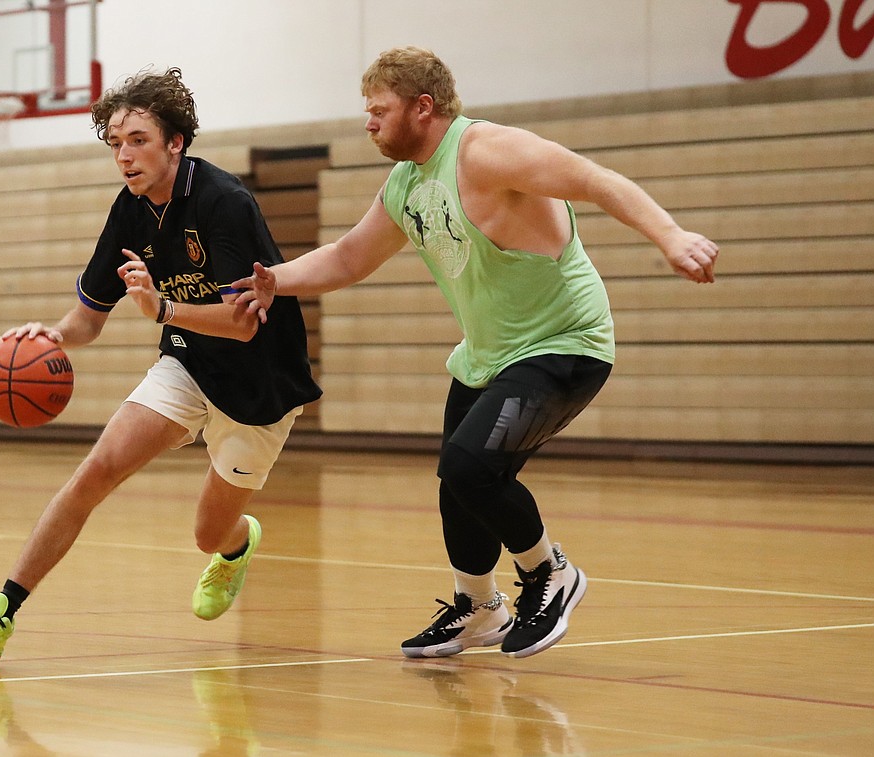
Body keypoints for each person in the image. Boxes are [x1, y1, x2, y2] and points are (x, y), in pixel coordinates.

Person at [233, 46, 718, 659]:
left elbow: (594, 179)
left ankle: (551, 573)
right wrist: (277, 280)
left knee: (470, 467)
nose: (369, 122)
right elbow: (351, 256)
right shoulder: (408, 181)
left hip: (563, 343)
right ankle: (479, 608)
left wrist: (671, 235)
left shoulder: (486, 152)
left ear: (423, 107)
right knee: (456, 482)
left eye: (380, 110)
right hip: (487, 356)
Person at [0, 68, 321, 668]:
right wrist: (53, 334)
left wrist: (163, 307)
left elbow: (244, 322)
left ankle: (237, 544)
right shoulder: (130, 210)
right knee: (96, 471)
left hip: (260, 385)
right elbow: (90, 317)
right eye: (115, 142)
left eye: (137, 139)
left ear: (176, 142)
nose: (124, 155)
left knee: (208, 535)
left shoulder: (225, 202)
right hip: (188, 366)